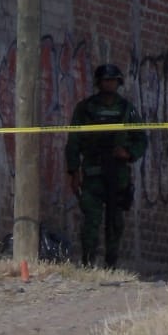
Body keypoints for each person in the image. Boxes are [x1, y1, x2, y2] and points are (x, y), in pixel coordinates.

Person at [64, 65, 148, 268]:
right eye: (106, 80)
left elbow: (141, 140)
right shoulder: (85, 108)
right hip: (92, 173)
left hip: (117, 173)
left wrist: (127, 154)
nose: (109, 84)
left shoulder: (127, 109)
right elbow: (73, 142)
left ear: (118, 82)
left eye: (113, 80)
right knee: (91, 220)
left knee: (115, 222)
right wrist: (73, 172)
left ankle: (111, 265)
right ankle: (87, 263)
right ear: (98, 83)